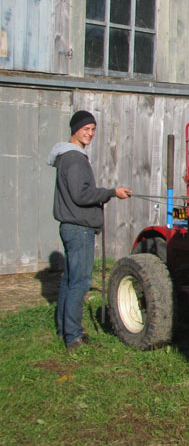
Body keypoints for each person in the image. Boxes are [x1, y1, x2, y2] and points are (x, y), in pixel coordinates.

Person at [47, 111, 132, 352]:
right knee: (80, 283)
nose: (90, 133)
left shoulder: (67, 156)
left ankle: (65, 330)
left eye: (93, 129)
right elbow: (81, 195)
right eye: (86, 128)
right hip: (79, 229)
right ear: (75, 129)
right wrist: (111, 192)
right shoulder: (74, 159)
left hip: (72, 226)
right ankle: (73, 336)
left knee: (69, 280)